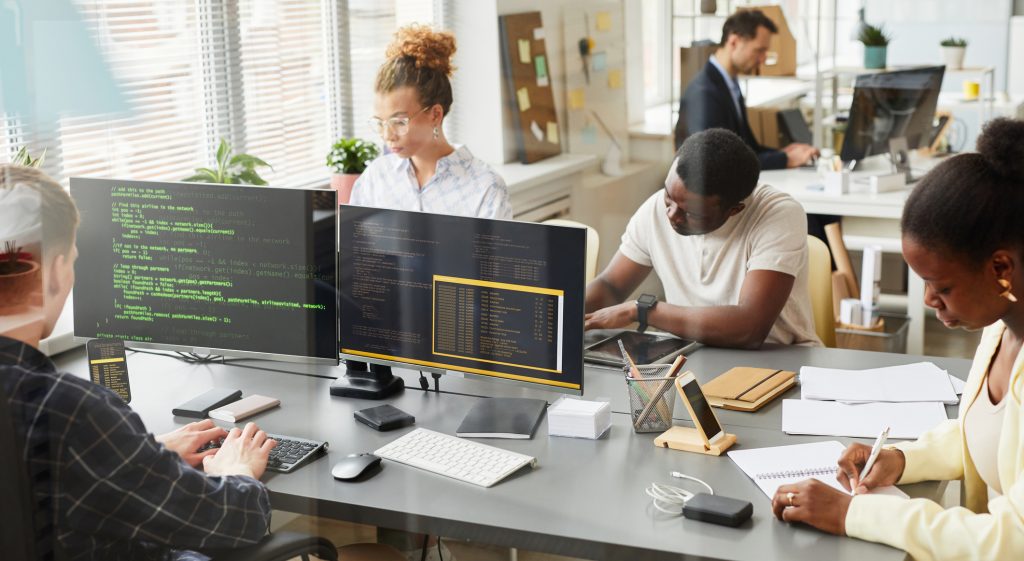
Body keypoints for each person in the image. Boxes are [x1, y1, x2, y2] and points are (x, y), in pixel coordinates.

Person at [769, 118, 1024, 559]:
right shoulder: (1001, 327)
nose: (928, 299)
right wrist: (903, 460)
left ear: (1001, 269)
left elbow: (1012, 540)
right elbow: (988, 433)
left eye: (941, 287)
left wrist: (850, 514)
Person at [0, 165, 277, 561]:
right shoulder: (70, 411)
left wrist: (141, 453)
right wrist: (236, 471)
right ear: (58, 272)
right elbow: (232, 520)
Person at [585, 128, 820, 348]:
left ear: (734, 210)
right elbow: (611, 286)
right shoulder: (657, 208)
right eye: (668, 196)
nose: (671, 215)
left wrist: (641, 311)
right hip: (690, 353)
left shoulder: (777, 214)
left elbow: (750, 328)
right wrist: (556, 309)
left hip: (778, 359)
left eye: (691, 213)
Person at [350, 24, 512, 220]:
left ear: (435, 114)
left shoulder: (485, 188)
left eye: (399, 122)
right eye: (380, 123)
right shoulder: (376, 178)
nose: (387, 136)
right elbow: (354, 249)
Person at [673, 10, 818, 170]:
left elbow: (746, 148)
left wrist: (785, 153)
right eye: (759, 50)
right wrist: (785, 159)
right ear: (734, 42)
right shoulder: (705, 92)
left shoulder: (730, 84)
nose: (763, 59)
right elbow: (719, 160)